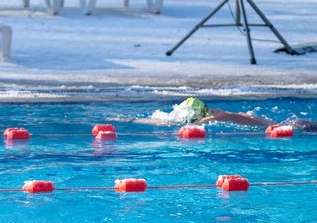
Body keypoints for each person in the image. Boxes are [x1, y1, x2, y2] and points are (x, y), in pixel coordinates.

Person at [132, 96, 316, 129]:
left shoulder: (216, 118)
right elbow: (161, 121)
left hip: (275, 127)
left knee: (298, 126)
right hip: (271, 124)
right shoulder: (219, 115)